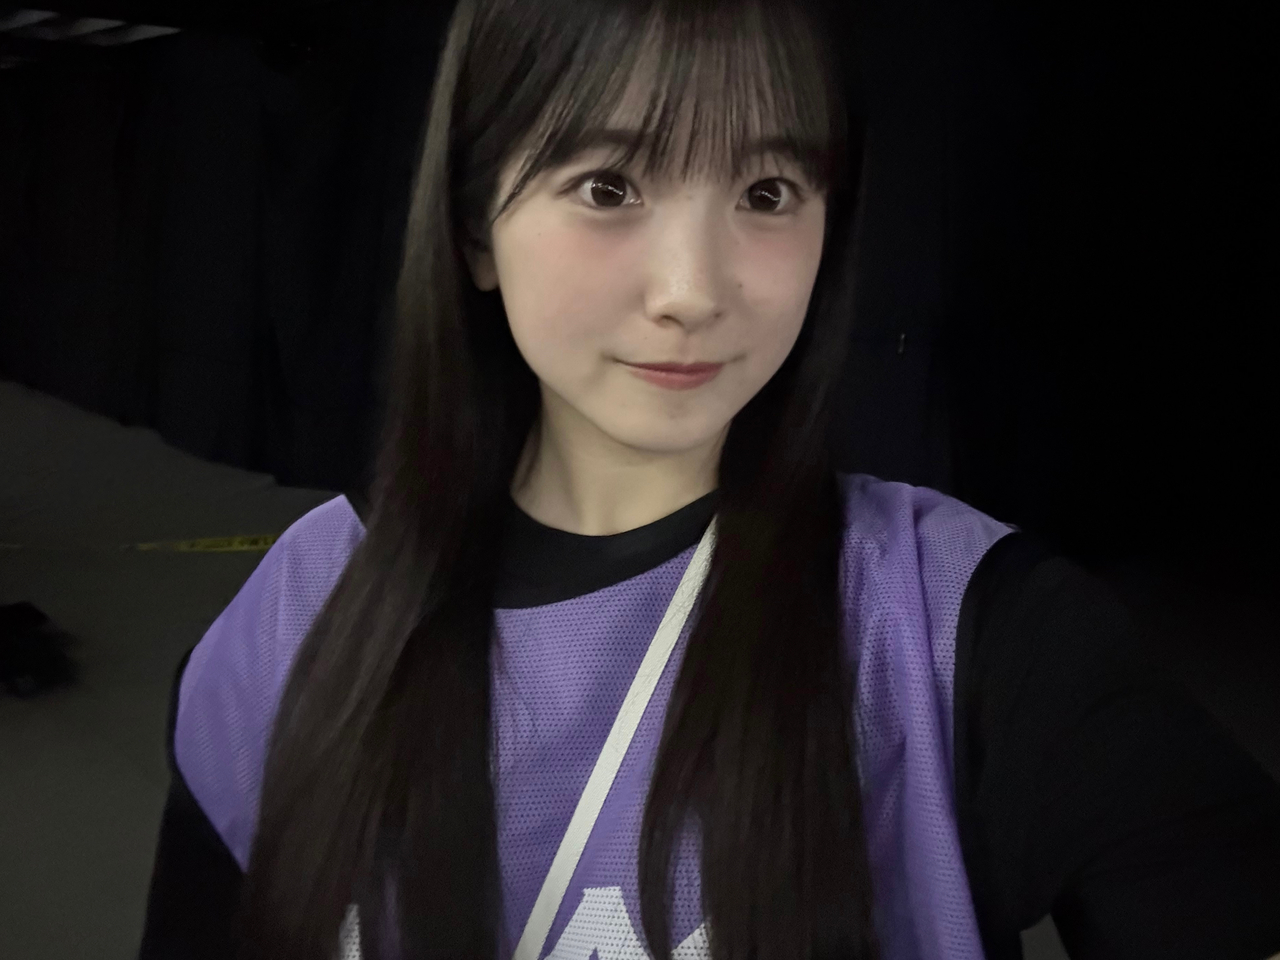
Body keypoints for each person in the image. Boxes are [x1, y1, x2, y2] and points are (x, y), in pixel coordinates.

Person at [136, 0, 1280, 958]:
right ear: (476, 228)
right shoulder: (297, 618)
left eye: (766, 192)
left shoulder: (961, 629)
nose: (691, 289)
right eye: (607, 186)